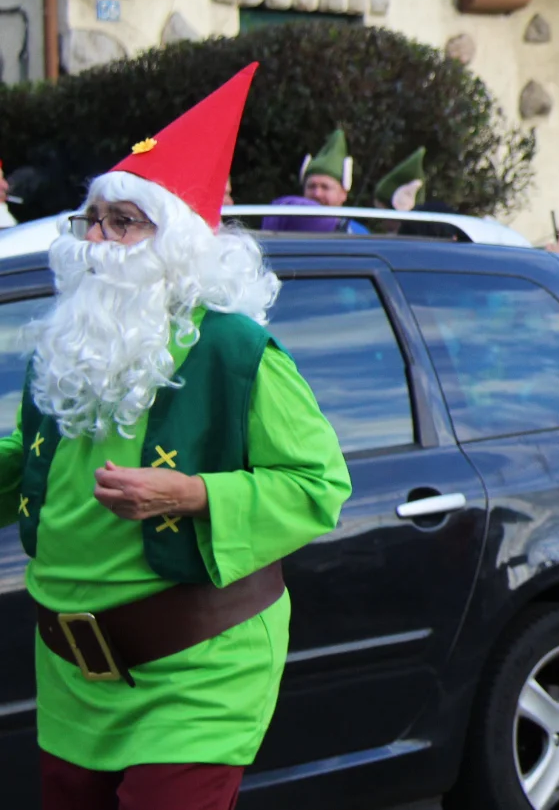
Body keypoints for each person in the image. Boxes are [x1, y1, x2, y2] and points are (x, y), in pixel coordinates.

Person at [0, 63, 352, 809]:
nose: (99, 240)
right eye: (93, 219)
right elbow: (28, 467)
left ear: (179, 246)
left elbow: (319, 485)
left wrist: (191, 494)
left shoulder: (235, 352)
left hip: (199, 672)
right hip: (68, 681)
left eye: (124, 222)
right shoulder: (64, 348)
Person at [295, 128, 366, 233]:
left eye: (325, 187)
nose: (317, 194)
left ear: (343, 194)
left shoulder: (356, 234)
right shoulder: (286, 228)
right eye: (311, 186)